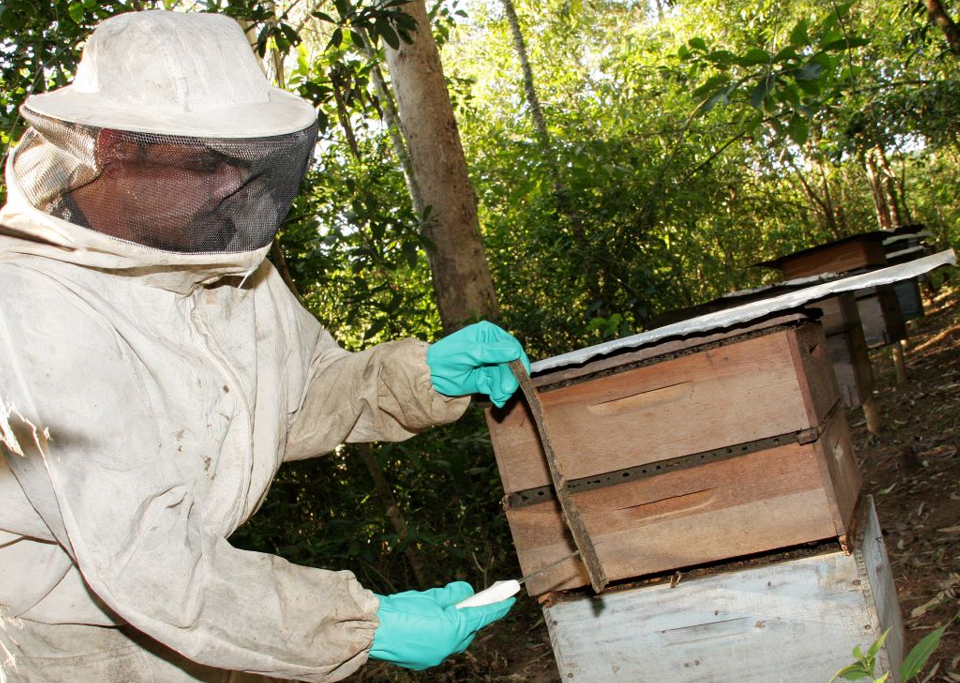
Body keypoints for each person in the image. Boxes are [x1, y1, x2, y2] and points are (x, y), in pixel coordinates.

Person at [0, 10, 528, 682]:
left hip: (206, 631)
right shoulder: (26, 307)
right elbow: (150, 564)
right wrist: (361, 624)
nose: (229, 185)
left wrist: (424, 376)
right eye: (201, 161)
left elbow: (303, 392)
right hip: (68, 658)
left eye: (240, 160)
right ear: (113, 146)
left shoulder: (228, 268)